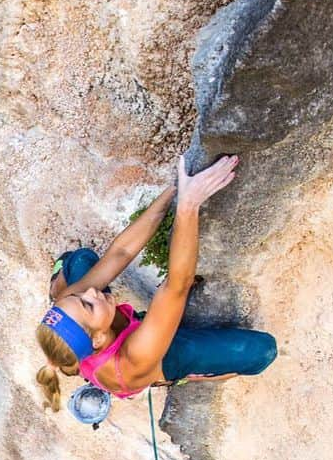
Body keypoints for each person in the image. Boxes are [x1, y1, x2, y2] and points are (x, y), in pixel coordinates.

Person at [35, 155, 277, 411]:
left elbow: (121, 253)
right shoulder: (136, 359)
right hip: (159, 358)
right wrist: (189, 204)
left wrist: (172, 192)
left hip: (105, 339)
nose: (92, 291)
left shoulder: (74, 303)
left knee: (82, 259)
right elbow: (176, 286)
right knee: (262, 351)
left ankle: (57, 288)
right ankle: (184, 376)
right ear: (97, 339)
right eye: (87, 305)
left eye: (75, 298)